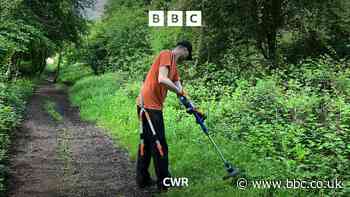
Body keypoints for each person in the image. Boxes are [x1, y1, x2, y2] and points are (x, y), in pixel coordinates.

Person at [136, 41, 192, 191]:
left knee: (147, 143)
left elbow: (178, 84)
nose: (185, 59)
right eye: (187, 55)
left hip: (147, 104)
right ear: (184, 50)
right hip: (149, 105)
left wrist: (189, 102)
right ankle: (164, 183)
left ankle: (143, 180)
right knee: (160, 144)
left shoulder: (173, 65)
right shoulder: (167, 54)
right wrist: (178, 92)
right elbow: (162, 79)